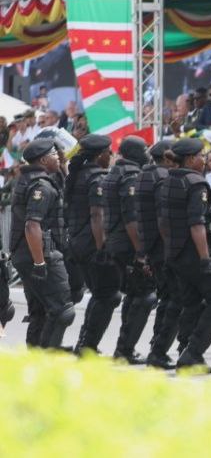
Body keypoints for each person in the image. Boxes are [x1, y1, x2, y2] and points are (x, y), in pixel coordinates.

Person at [157, 138, 211, 374]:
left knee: (191, 303)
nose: (204, 160)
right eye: (201, 155)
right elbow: (196, 225)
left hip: (175, 252)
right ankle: (193, 353)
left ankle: (185, 351)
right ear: (190, 159)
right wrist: (205, 259)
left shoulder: (167, 180)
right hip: (195, 252)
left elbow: (162, 221)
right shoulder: (195, 183)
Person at [8, 137, 76, 349]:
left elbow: (65, 189)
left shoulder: (28, 178)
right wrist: (40, 262)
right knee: (63, 311)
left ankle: (36, 355)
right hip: (39, 254)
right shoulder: (41, 186)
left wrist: (63, 165)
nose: (58, 157)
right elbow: (31, 226)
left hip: (27, 253)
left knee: (40, 309)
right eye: (55, 155)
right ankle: (48, 356)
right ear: (45, 159)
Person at [104, 137, 154, 365]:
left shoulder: (114, 173)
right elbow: (132, 220)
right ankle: (124, 350)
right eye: (144, 148)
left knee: (133, 295)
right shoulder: (131, 177)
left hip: (116, 243)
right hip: (127, 245)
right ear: (134, 152)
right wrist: (141, 253)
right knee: (144, 296)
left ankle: (124, 348)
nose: (147, 152)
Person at [72, 133, 118, 356]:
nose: (110, 156)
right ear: (100, 155)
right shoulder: (97, 178)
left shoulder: (78, 175)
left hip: (78, 243)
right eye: (109, 152)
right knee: (109, 294)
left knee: (101, 293)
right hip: (91, 244)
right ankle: (87, 345)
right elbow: (97, 215)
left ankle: (85, 342)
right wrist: (102, 248)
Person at [139, 140, 180, 369]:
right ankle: (159, 350)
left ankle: (158, 346)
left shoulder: (144, 176)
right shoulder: (164, 178)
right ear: (166, 158)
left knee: (167, 299)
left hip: (152, 247)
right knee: (174, 300)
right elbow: (163, 218)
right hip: (163, 247)